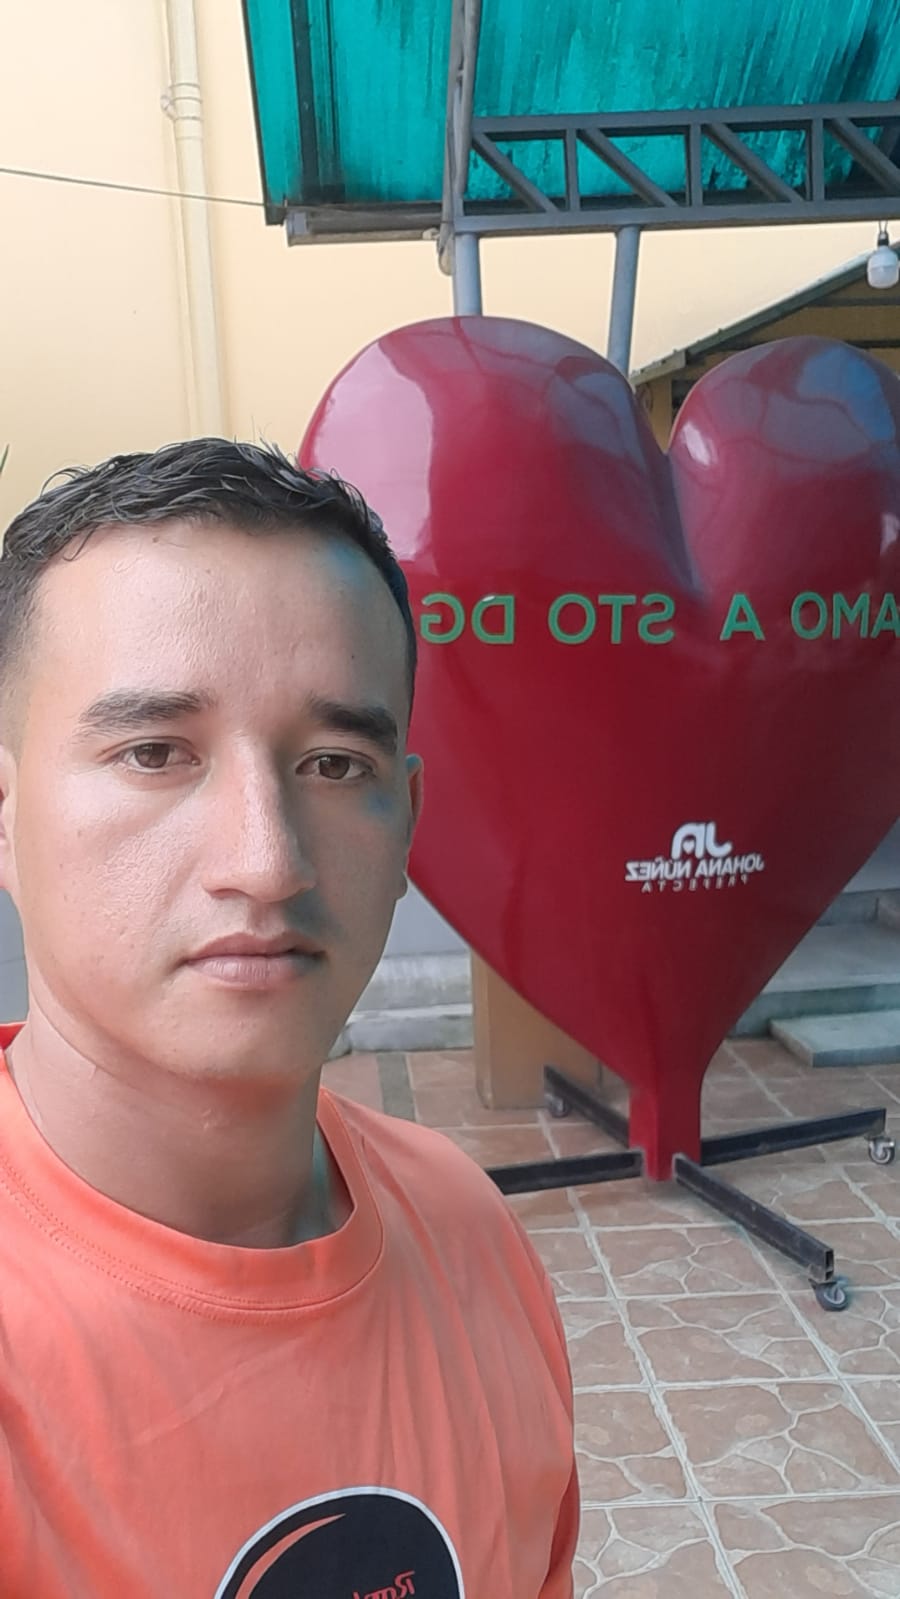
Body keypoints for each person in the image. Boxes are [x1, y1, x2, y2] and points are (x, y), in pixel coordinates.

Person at [0, 440, 578, 1598]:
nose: (265, 862)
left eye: (332, 763)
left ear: (407, 822)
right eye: (155, 753)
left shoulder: (467, 1228)